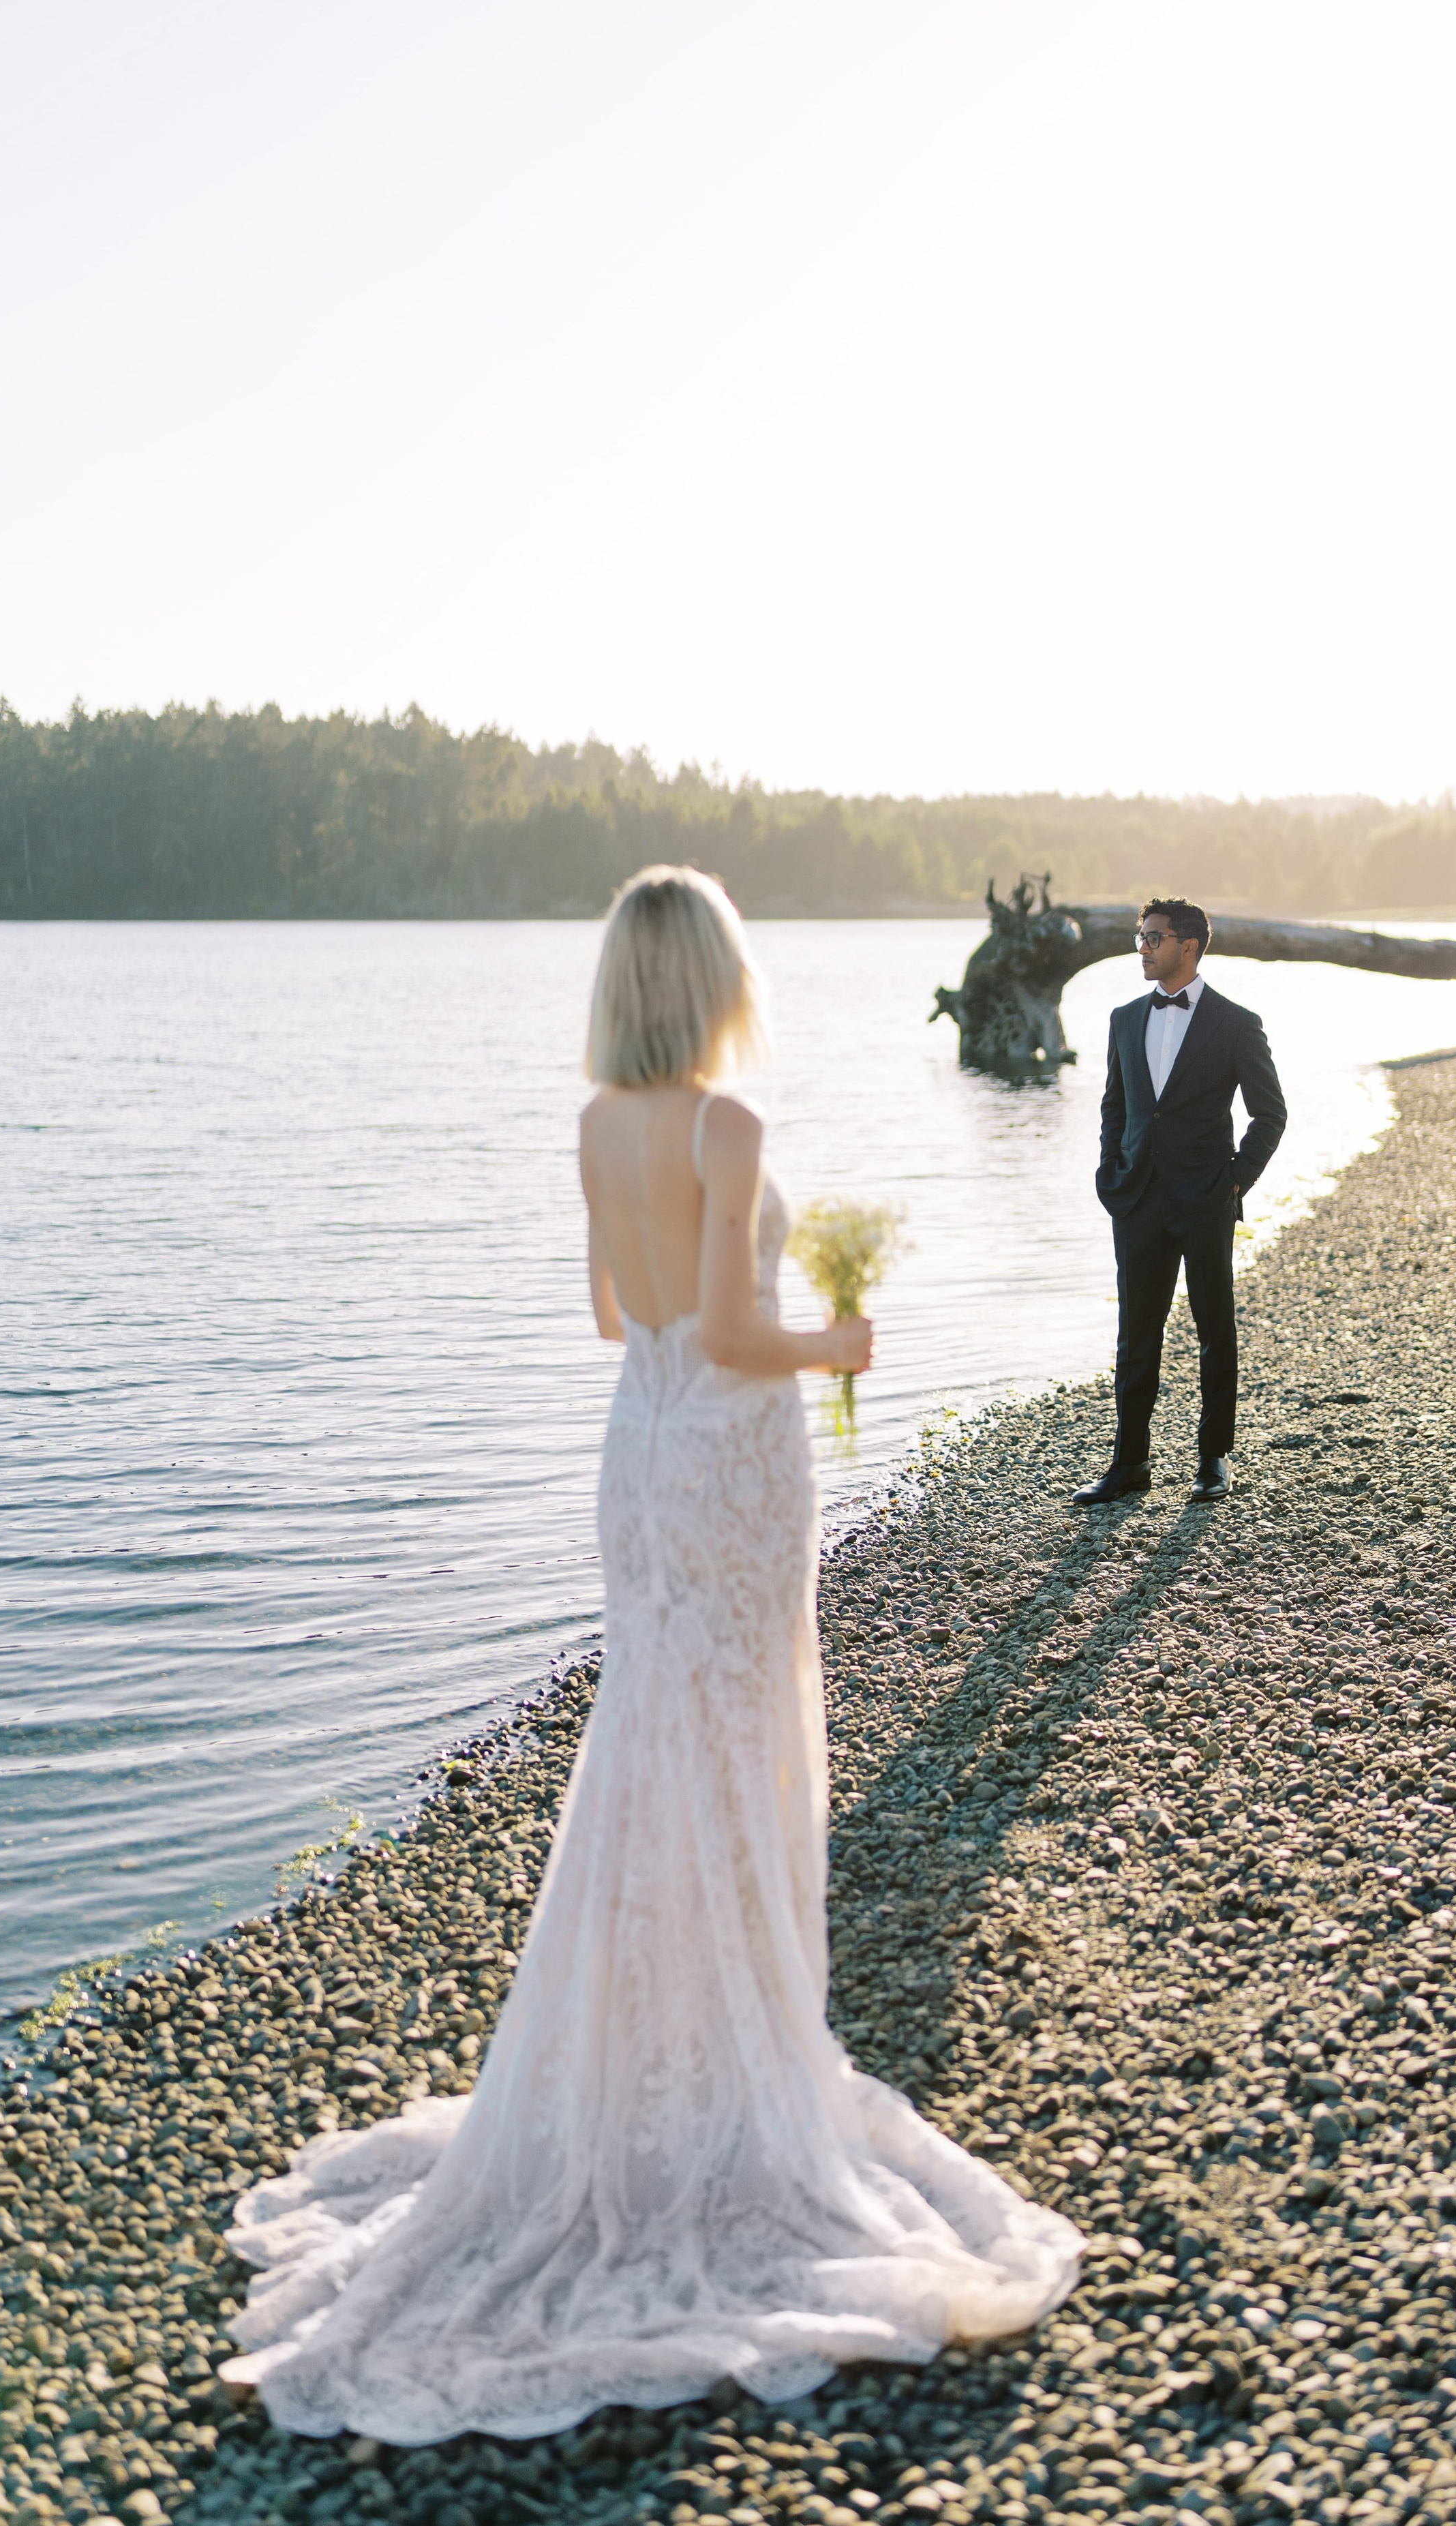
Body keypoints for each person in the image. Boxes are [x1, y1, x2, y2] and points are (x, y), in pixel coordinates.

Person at [220, 864, 1080, 2444]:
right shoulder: (720, 1125)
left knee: (653, 1732)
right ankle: (728, 2048)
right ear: (707, 979)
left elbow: (621, 1316)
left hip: (639, 1453)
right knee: (735, 1731)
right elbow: (737, 1335)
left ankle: (636, 2043)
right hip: (732, 1459)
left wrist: (739, 1325)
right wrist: (836, 1337)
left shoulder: (596, 1123)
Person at [1074, 896, 1287, 1509]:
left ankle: (1214, 1459)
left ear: (1187, 946)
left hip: (1206, 1200)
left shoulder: (1237, 1023)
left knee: (1215, 1330)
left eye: (1152, 938)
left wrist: (1234, 1181)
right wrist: (1111, 1173)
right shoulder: (1123, 1018)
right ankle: (1129, 1464)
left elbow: (1270, 1114)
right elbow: (1117, 1106)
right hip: (1137, 1197)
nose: (1141, 948)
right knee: (1135, 1333)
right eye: (1140, 937)